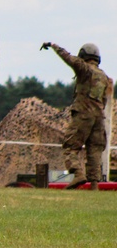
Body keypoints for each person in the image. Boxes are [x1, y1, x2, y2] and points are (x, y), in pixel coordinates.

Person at [41, 42, 112, 190]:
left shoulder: (84, 69)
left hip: (83, 114)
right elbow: (104, 100)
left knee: (70, 145)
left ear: (83, 55)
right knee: (94, 150)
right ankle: (94, 185)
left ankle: (77, 173)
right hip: (99, 117)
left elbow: (68, 58)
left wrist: (54, 46)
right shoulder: (104, 76)